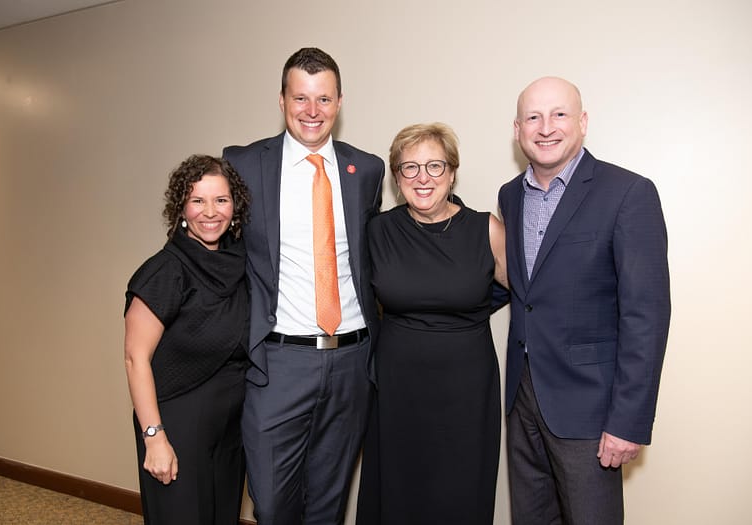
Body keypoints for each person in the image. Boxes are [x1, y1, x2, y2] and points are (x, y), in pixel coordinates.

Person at [222, 47, 385, 524]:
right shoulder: (244, 164)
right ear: (281, 101)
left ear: (339, 102)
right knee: (272, 505)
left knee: (329, 504)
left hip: (352, 361)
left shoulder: (366, 169)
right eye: (301, 99)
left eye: (324, 99)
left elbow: (381, 246)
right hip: (277, 364)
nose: (312, 111)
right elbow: (214, 235)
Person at [498, 76, 671, 524]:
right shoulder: (510, 195)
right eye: (533, 117)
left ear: (583, 122)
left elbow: (645, 316)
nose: (546, 127)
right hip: (523, 402)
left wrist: (627, 421)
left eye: (559, 114)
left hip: (591, 411)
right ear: (517, 129)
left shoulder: (628, 193)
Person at [356, 123, 507, 525]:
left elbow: (526, 293)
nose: (423, 178)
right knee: (399, 490)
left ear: (453, 173)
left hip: (467, 388)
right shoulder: (377, 231)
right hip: (396, 386)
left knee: (459, 492)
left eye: (435, 166)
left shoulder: (486, 229)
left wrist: (465, 312)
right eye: (410, 168)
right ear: (397, 178)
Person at [123, 154, 252, 524]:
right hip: (176, 422)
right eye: (197, 200)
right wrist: (154, 438)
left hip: (229, 427)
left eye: (221, 200)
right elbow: (135, 358)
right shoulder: (165, 270)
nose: (210, 212)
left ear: (235, 206)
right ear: (181, 207)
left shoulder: (239, 262)